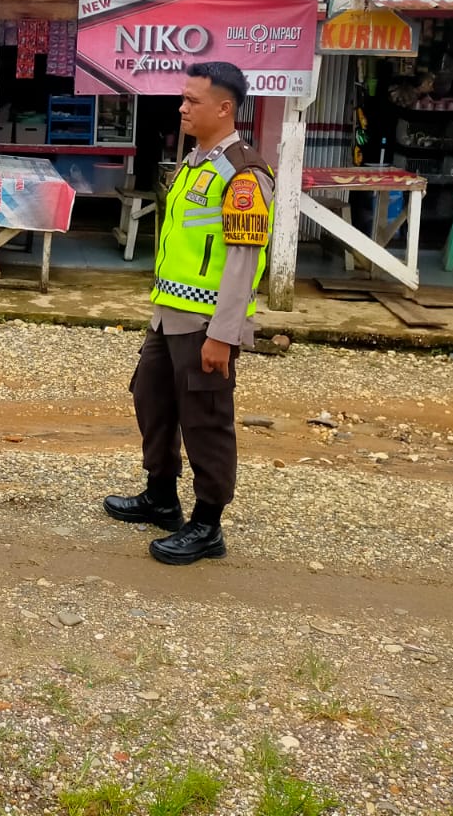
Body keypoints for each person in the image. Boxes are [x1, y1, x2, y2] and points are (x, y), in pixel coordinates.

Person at [103, 61, 275, 566]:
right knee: (150, 398)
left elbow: (244, 261)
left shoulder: (243, 173)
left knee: (205, 419)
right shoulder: (194, 162)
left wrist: (223, 334)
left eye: (192, 100)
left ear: (224, 108)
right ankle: (161, 496)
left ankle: (207, 524)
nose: (181, 107)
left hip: (205, 325)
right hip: (169, 315)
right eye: (182, 98)